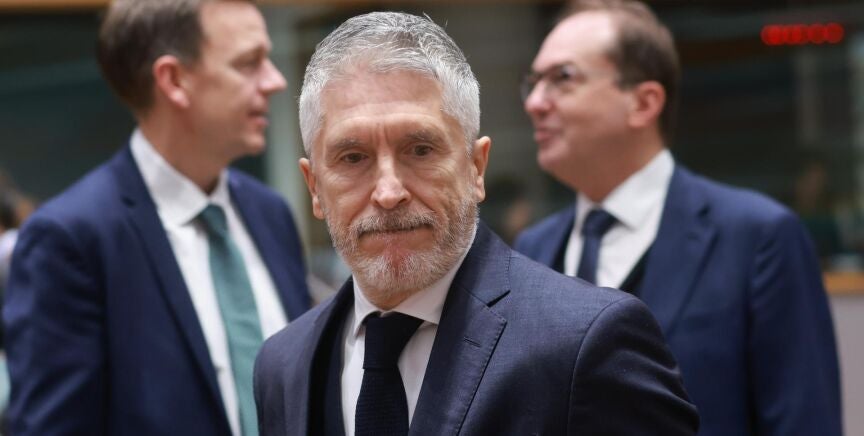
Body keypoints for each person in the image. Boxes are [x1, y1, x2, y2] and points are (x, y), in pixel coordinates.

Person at [254, 11, 699, 436]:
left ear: (476, 168)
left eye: (420, 150)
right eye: (353, 158)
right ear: (314, 187)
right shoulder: (282, 365)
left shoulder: (587, 342)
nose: (388, 193)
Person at [514, 1, 841, 435]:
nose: (535, 103)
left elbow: (804, 421)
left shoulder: (757, 237)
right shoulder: (532, 250)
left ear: (644, 102)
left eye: (563, 78)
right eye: (533, 82)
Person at [3, 1, 310, 435]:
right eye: (248, 63)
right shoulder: (72, 239)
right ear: (173, 80)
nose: (275, 81)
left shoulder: (271, 213)